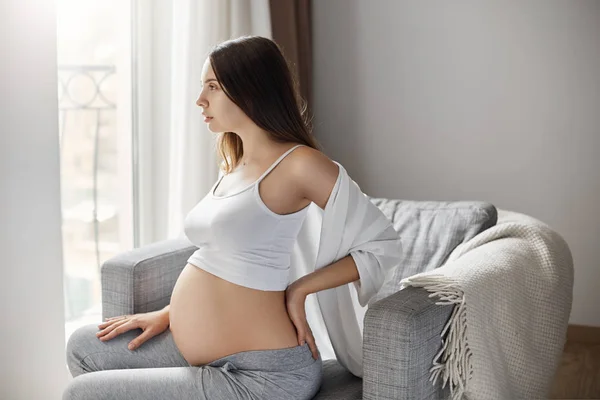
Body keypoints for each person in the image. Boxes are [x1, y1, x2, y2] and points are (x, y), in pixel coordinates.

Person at [63, 36, 354, 400]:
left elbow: (380, 245)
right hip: (211, 353)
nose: (200, 99)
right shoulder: (238, 163)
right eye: (202, 86)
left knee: (83, 394)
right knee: (83, 346)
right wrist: (171, 313)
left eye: (213, 87)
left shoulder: (300, 164)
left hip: (262, 373)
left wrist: (300, 290)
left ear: (251, 89)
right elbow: (229, 258)